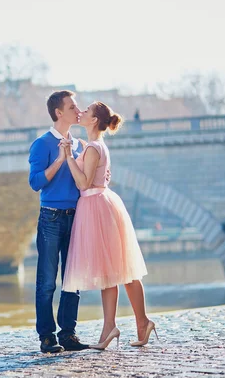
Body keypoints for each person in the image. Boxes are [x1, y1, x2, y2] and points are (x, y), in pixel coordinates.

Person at [60, 101, 158, 350]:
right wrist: (79, 152)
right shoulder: (94, 146)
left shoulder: (93, 148)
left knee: (118, 270)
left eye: (86, 111)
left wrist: (69, 157)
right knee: (114, 271)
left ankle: (132, 323)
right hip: (101, 205)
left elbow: (83, 183)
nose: (80, 112)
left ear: (94, 121)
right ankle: (117, 326)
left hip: (95, 207)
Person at [28, 90, 89, 353]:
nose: (78, 110)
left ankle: (68, 334)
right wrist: (60, 160)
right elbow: (36, 182)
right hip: (51, 217)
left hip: (76, 217)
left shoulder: (80, 145)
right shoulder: (42, 144)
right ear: (58, 113)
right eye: (72, 107)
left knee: (73, 279)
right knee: (47, 282)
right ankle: (46, 337)